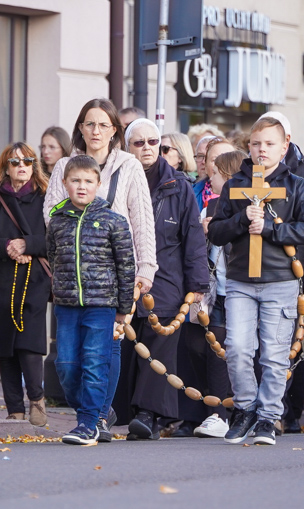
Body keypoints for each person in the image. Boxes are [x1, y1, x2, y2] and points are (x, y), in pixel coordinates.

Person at [43, 98, 158, 441]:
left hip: (113, 273)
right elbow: (51, 216)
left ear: (114, 131)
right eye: (89, 124)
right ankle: (95, 412)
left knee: (106, 348)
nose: (96, 131)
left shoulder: (129, 165)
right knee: (68, 363)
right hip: (74, 274)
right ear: (80, 128)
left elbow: (141, 218)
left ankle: (94, 419)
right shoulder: (64, 164)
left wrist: (145, 267)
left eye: (103, 125)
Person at [208, 114, 304, 446]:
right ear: (249, 146)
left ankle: (268, 418)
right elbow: (216, 231)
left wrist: (271, 229)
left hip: (280, 280)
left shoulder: (295, 185)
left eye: (270, 144)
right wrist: (242, 219)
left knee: (273, 354)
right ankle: (244, 408)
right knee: (238, 347)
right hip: (241, 280)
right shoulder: (235, 184)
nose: (262, 150)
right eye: (256, 144)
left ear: (285, 145)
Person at [119, 118, 209, 440]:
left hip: (168, 279)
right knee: (128, 346)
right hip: (123, 277)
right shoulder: (116, 178)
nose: (146, 148)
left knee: (158, 348)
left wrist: (197, 284)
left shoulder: (179, 185)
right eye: (138, 142)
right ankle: (121, 411)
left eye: (153, 142)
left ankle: (148, 415)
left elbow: (193, 237)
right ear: (126, 147)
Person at [47, 155, 135, 444]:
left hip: (102, 306)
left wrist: (123, 310)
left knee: (95, 363)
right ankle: (97, 410)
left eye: (88, 181)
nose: (81, 186)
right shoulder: (57, 221)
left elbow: (126, 266)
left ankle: (87, 424)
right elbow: (54, 257)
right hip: (67, 305)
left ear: (98, 184)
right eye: (75, 181)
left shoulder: (114, 221)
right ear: (65, 183)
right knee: (66, 366)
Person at [259, 111, 304, 434]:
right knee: (259, 343)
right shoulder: (252, 171)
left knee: (289, 343)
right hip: (254, 266)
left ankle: (286, 410)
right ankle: (261, 408)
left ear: (286, 141)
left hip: (294, 267)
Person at [0, 142, 51, 426]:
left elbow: (55, 239)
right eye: (15, 162)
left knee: (29, 343)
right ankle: (14, 408)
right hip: (0, 282)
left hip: (33, 281)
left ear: (34, 165)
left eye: (27, 161)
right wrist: (8, 247)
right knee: (5, 346)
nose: (21, 167)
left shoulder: (45, 198)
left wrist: (27, 244)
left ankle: (37, 399)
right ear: (5, 167)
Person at [180, 150, 247, 439]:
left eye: (216, 174)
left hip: (241, 288)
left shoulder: (250, 204)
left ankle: (241, 410)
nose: (211, 178)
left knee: (240, 350)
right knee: (212, 346)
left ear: (230, 177)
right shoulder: (213, 204)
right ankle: (218, 411)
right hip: (216, 288)